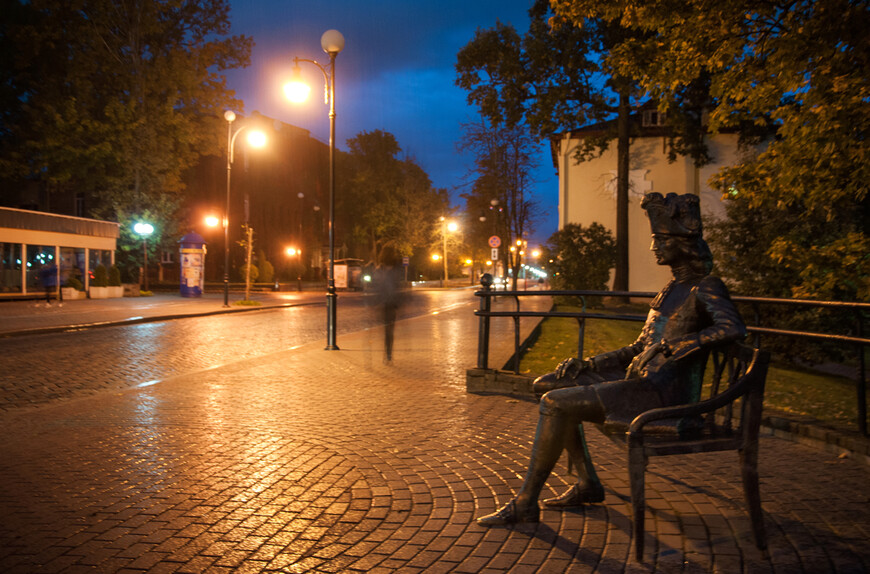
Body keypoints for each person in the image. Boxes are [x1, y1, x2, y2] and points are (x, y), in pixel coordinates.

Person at [477, 192, 747, 526]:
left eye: (661, 240)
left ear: (683, 243)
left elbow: (733, 328)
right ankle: (588, 482)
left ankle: (526, 503)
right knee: (546, 385)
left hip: (663, 395)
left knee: (557, 403)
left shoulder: (705, 287)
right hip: (640, 383)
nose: (654, 247)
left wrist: (677, 346)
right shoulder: (671, 287)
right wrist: (589, 363)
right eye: (654, 240)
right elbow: (638, 347)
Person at [373, 248, 405, 363]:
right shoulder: (396, 270)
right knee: (389, 329)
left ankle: (387, 352)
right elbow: (399, 286)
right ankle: (388, 353)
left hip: (385, 302)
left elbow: (375, 286)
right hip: (391, 302)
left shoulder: (379, 270)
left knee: (387, 329)